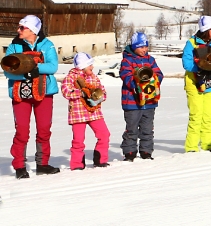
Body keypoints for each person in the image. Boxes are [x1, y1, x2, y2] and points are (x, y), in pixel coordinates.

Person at [3, 15, 60, 179]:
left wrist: (36, 69)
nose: (18, 30)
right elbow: (7, 69)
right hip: (20, 93)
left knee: (44, 130)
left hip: (45, 93)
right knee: (21, 131)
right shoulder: (14, 46)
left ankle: (42, 164)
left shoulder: (47, 45)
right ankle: (20, 166)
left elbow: (53, 66)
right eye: (19, 27)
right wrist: (26, 74)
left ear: (32, 30)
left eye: (22, 27)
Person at [182, 16, 211, 152]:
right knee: (196, 115)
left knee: (208, 116)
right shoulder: (191, 43)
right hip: (194, 83)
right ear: (206, 30)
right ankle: (191, 147)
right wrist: (201, 69)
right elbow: (187, 63)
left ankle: (208, 145)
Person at [60, 52, 110, 170]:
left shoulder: (93, 77)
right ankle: (77, 164)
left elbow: (103, 91)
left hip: (94, 112)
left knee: (104, 134)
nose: (92, 67)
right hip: (78, 114)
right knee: (78, 139)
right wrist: (81, 93)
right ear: (82, 66)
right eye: (90, 65)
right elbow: (66, 91)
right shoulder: (71, 77)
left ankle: (100, 159)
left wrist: (98, 98)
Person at [119, 32, 164, 161]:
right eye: (141, 47)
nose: (144, 50)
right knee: (132, 127)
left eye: (145, 46)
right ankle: (130, 152)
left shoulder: (150, 60)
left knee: (147, 128)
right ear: (134, 47)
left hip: (149, 101)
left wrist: (155, 80)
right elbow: (125, 75)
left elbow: (159, 73)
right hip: (132, 102)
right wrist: (135, 85)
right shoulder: (127, 60)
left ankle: (146, 151)